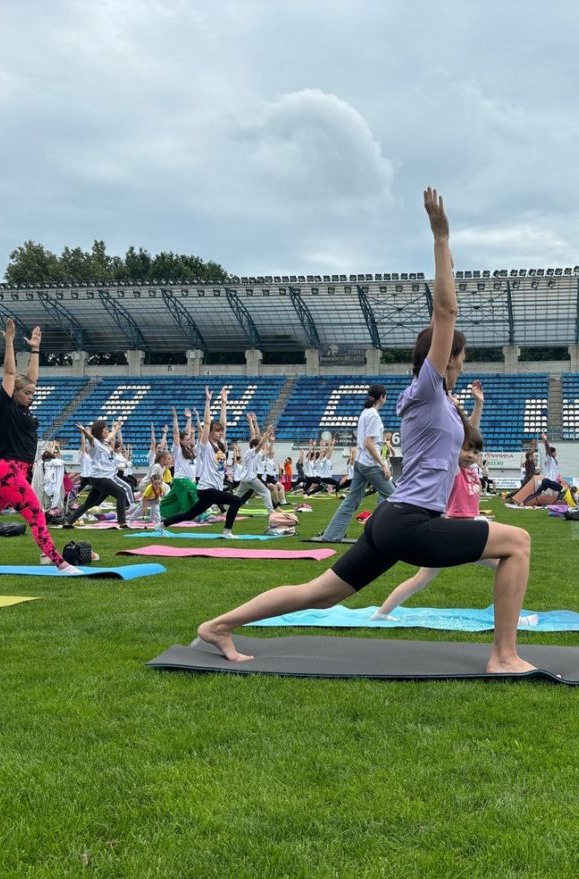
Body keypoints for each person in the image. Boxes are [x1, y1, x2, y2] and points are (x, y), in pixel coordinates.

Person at [197, 186, 534, 673]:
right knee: (518, 542)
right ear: (445, 359)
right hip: (409, 522)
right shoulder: (423, 389)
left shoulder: (441, 401)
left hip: (393, 519)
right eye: (459, 356)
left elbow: (450, 450)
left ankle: (218, 626)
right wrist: (441, 237)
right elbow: (446, 312)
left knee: (318, 594)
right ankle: (503, 655)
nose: (462, 361)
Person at [0, 320, 77, 571]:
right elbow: (10, 374)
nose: (31, 396)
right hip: (8, 470)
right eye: (27, 393)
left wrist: (36, 350)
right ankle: (60, 563)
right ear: (15, 392)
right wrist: (9, 342)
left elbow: (31, 378)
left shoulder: (25, 408)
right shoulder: (6, 408)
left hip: (13, 471)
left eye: (33, 394)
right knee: (36, 515)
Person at [370, 412, 497, 619]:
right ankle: (510, 616)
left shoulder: (472, 466)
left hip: (456, 532)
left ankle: (382, 613)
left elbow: (471, 432)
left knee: (421, 579)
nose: (471, 455)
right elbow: (463, 435)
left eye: (475, 452)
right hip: (457, 532)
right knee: (505, 564)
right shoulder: (454, 468)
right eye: (466, 450)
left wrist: (479, 404)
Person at [318, 384, 398, 542]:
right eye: (385, 396)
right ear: (381, 397)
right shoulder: (374, 415)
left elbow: (367, 442)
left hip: (361, 463)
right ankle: (384, 532)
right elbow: (369, 443)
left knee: (351, 501)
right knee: (395, 498)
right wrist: (383, 464)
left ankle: (332, 535)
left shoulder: (365, 413)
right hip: (370, 464)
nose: (386, 398)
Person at [162, 386, 244, 534]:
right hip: (206, 489)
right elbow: (206, 424)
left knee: (190, 515)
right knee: (236, 501)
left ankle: (162, 525)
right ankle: (227, 532)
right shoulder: (204, 445)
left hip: (213, 488)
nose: (220, 433)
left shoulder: (219, 445)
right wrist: (208, 401)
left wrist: (224, 403)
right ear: (210, 433)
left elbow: (223, 424)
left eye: (221, 432)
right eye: (217, 431)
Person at [63, 418, 131, 528]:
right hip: (100, 478)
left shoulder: (104, 443)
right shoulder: (95, 443)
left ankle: (68, 522)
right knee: (121, 494)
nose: (107, 431)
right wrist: (85, 432)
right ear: (99, 431)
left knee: (89, 504)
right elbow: (90, 438)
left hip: (101, 478)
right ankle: (122, 523)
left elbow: (110, 435)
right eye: (105, 429)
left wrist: (116, 429)